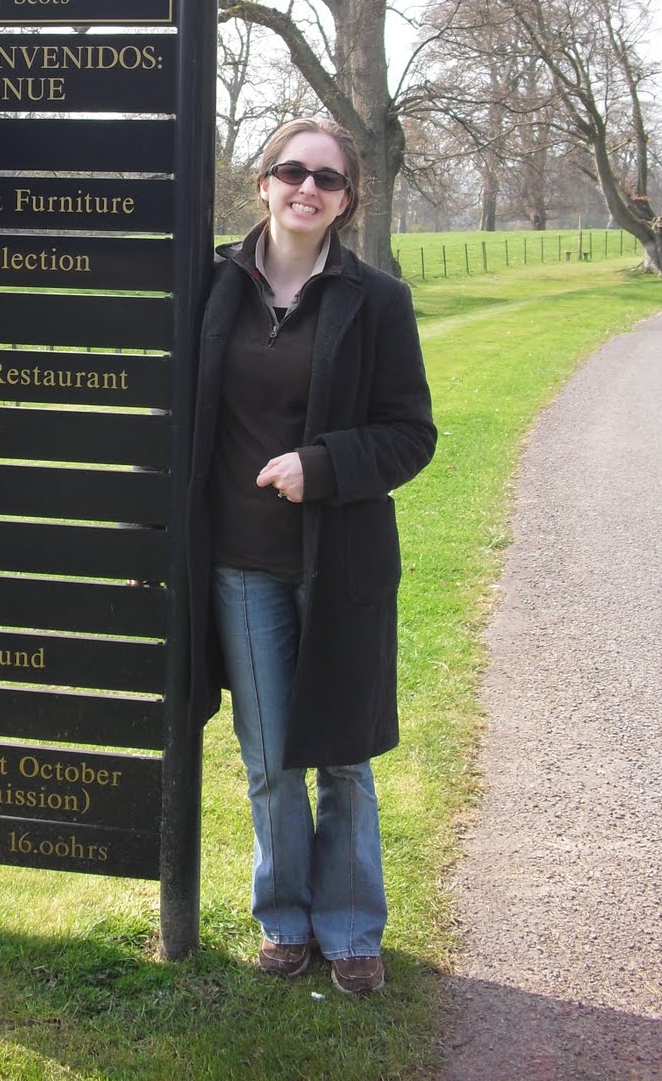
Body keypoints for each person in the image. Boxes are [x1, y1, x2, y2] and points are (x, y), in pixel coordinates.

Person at [188, 117, 436, 994]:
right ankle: (285, 918)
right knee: (269, 760)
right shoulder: (210, 281)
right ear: (262, 183)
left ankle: (351, 927)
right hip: (241, 569)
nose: (308, 188)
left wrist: (322, 467)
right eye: (292, 171)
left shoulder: (377, 300)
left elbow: (412, 436)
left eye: (327, 179)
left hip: (341, 568)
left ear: (347, 200)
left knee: (343, 756)